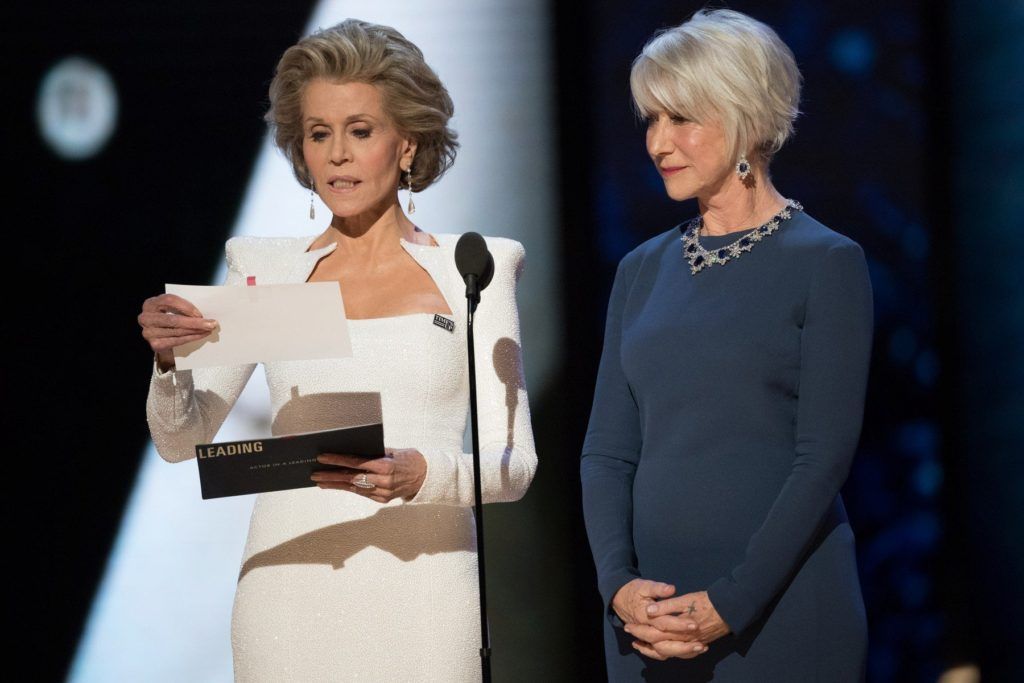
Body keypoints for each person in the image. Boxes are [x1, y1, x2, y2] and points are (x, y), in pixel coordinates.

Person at [138, 19, 537, 681]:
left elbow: (514, 465)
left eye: (361, 130)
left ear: (407, 144)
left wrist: (425, 474)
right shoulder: (266, 271)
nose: (338, 155)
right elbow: (181, 441)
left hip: (429, 592)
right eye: (319, 134)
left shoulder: (473, 269)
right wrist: (168, 363)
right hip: (288, 591)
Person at [581, 9, 873, 681]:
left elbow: (822, 458)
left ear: (744, 118)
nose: (659, 142)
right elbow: (607, 451)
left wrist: (730, 603)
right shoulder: (640, 269)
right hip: (646, 621)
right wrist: (617, 586)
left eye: (681, 118)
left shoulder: (826, 262)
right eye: (652, 119)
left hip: (779, 613)